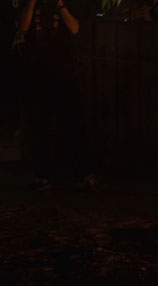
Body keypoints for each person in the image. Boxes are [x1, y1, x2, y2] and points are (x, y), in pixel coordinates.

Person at [18, 0, 93, 188]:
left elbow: (75, 28)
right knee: (38, 126)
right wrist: (32, 4)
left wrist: (61, 6)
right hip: (37, 73)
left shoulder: (67, 3)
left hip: (64, 72)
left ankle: (81, 172)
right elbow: (23, 27)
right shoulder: (29, 3)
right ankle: (42, 174)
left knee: (72, 123)